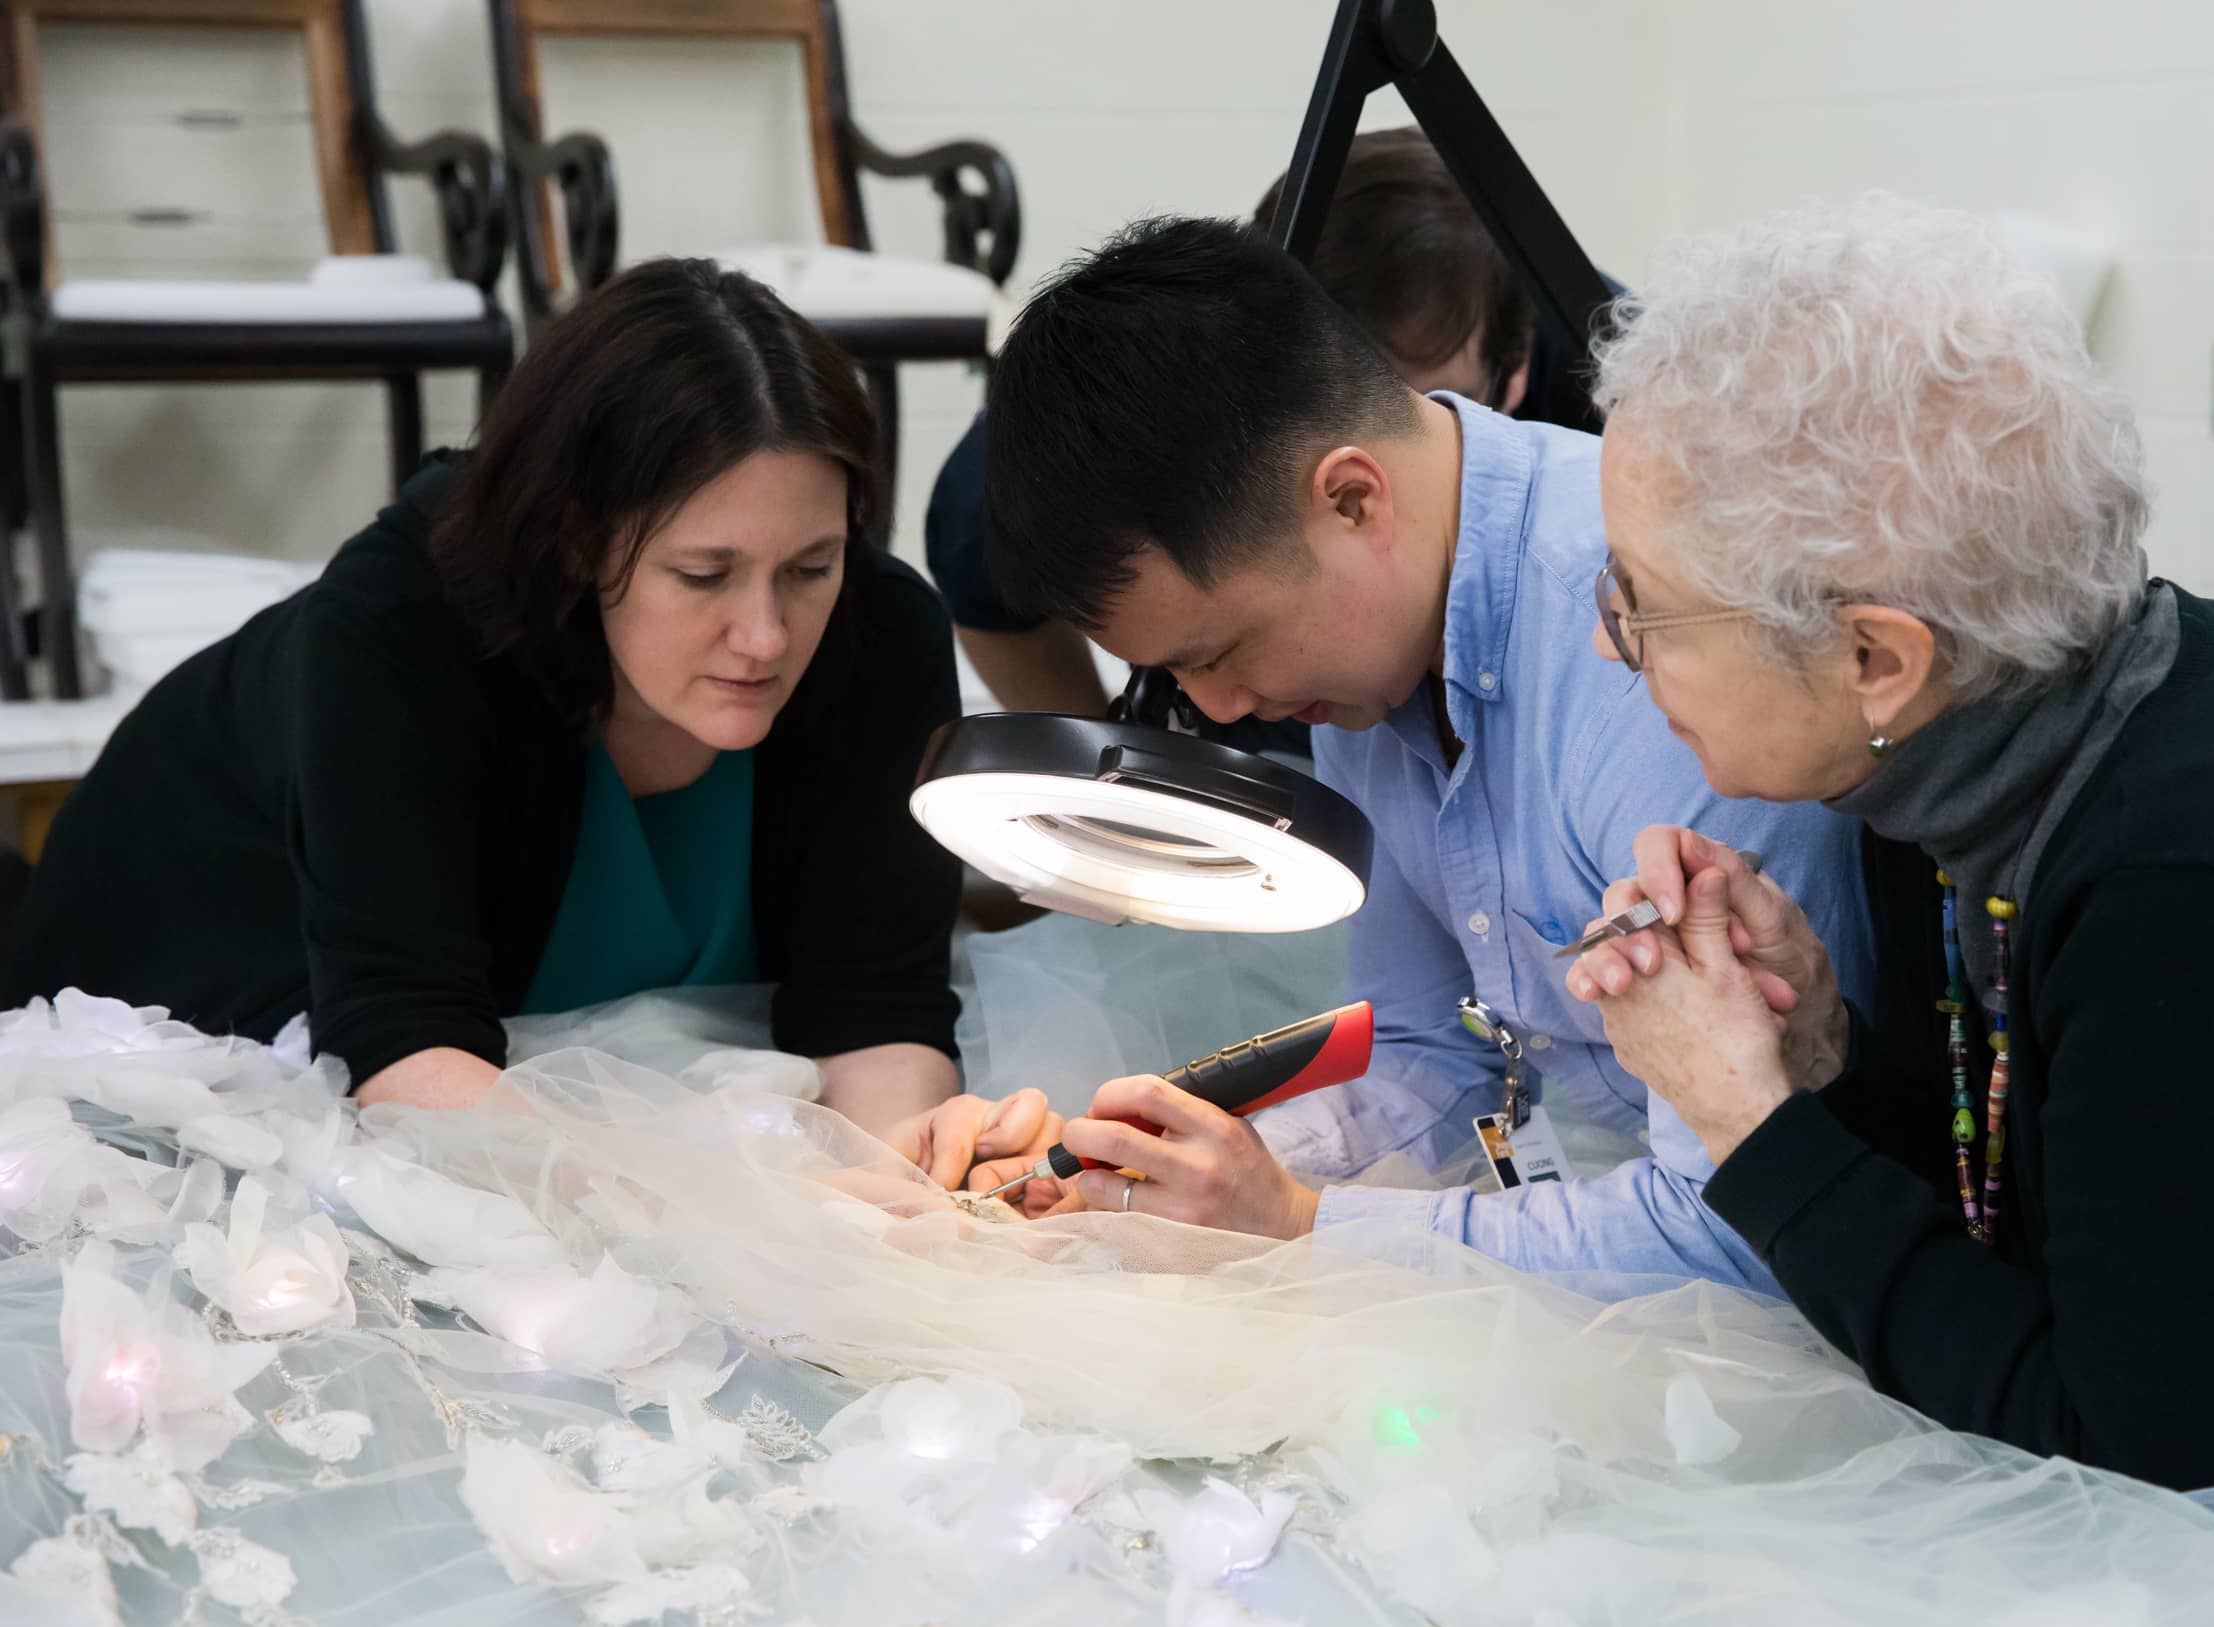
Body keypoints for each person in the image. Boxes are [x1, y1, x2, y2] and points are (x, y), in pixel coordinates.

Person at [1564, 193, 2214, 1487]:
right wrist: (1821, 1050)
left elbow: (2125, 1449)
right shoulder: (1975, 757)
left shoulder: (2202, 890)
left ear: (1876, 655)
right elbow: (2016, 1234)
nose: (1610, 641)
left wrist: (1747, 1115)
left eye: (1644, 602)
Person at [4, 258, 1054, 1190]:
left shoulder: (879, 635)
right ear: (573, 542)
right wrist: (731, 1216)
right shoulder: (395, 628)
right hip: (221, 1005)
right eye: (704, 573)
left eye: (811, 566)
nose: (766, 635)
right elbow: (402, 1058)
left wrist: (909, 1167)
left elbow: (874, 1009)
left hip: (536, 1086)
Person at [975, 215, 1874, 1293]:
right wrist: (1174, 1178)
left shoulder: (1659, 654)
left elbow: (1747, 1223)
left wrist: (1306, 1225)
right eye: (1177, 676)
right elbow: (1435, 1055)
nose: (1218, 707)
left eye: (1220, 652)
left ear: (1351, 498)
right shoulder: (1364, 653)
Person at [926, 126, 1612, 745]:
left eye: (1417, 409)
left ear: (1514, 372)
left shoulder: (1611, 382)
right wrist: (1117, 754)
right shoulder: (1177, 389)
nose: (1364, 431)